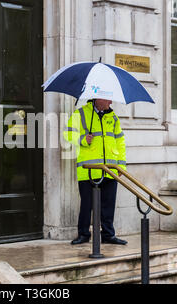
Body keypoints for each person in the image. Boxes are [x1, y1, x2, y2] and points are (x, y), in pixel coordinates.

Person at [63, 98, 128, 245]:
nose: (111, 102)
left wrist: (121, 166)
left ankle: (108, 235)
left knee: (108, 204)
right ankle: (84, 234)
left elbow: (120, 142)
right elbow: (67, 134)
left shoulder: (113, 117)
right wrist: (83, 139)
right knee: (87, 205)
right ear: (99, 98)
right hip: (89, 170)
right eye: (108, 99)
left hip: (110, 169)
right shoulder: (80, 114)